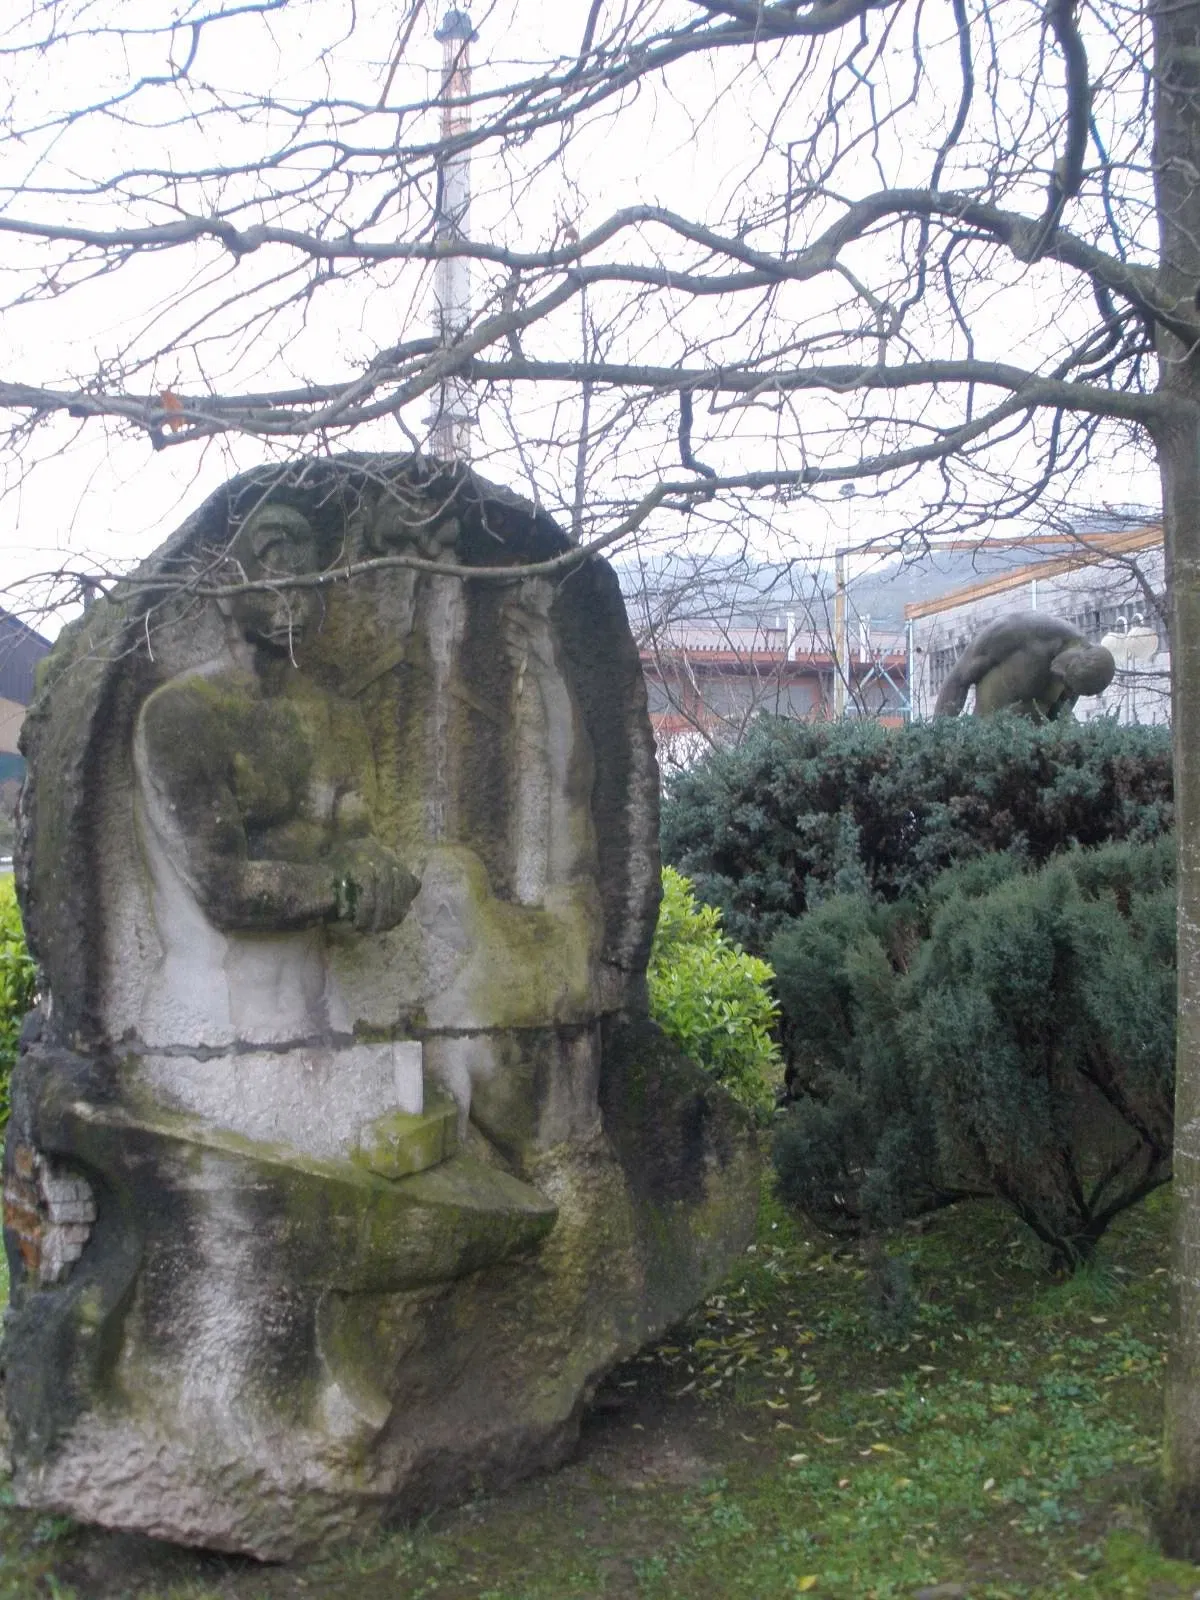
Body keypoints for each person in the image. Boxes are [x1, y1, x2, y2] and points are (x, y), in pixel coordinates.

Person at [933, 611, 1116, 720]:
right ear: (1075, 654)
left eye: (1071, 689)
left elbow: (1056, 718)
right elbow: (958, 679)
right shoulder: (1016, 630)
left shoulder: (1081, 677)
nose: (1067, 691)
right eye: (1065, 680)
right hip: (984, 748)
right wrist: (937, 740)